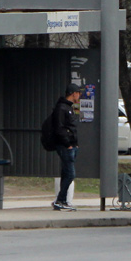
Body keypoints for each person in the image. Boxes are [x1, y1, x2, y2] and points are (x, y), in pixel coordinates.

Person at [51, 83, 82, 211]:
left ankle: (62, 201)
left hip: (71, 145)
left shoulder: (69, 108)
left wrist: (75, 144)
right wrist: (68, 144)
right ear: (73, 93)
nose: (79, 96)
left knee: (66, 173)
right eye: (78, 93)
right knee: (70, 174)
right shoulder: (62, 108)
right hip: (65, 146)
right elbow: (59, 129)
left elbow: (71, 128)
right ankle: (60, 199)